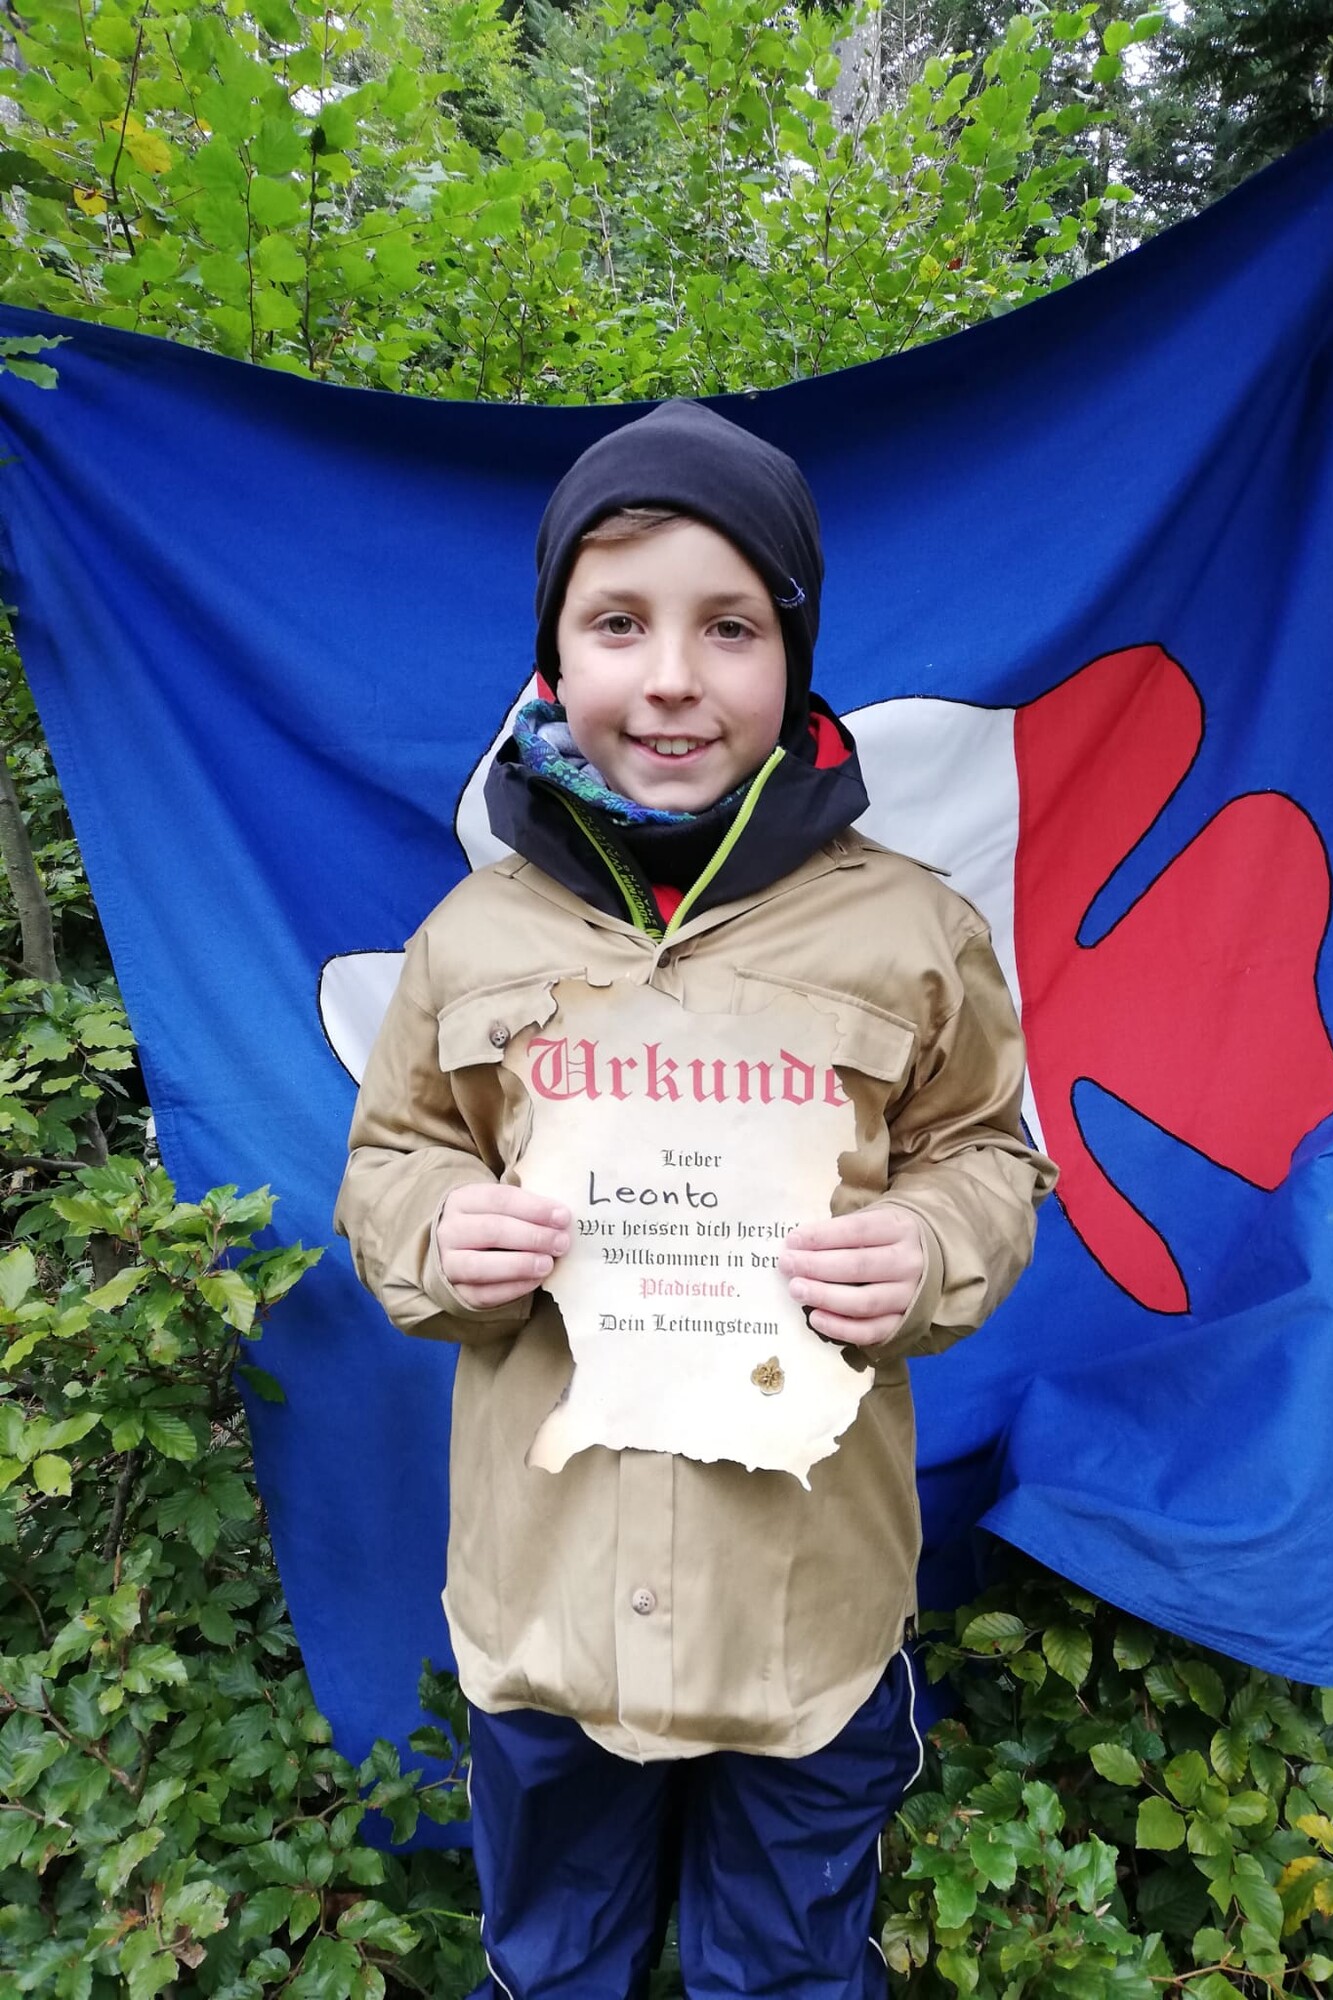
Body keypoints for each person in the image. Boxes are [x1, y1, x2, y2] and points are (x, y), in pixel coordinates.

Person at [334, 400, 1057, 2000]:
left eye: (731, 626)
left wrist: (929, 1244)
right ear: (552, 658)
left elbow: (987, 1155)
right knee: (553, 1964)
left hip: (805, 1617)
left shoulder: (912, 931)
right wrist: (441, 1232)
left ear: (794, 657)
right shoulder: (473, 937)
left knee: (789, 1969)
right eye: (619, 623)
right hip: (546, 1613)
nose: (672, 677)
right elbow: (393, 1157)